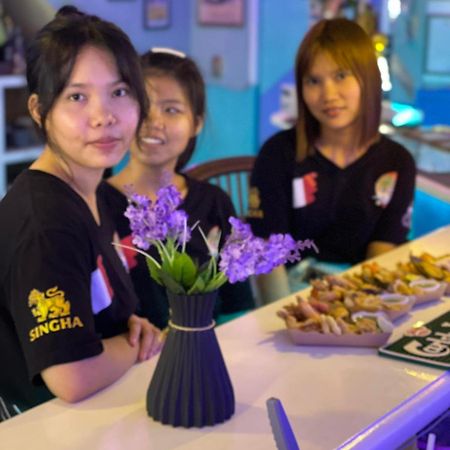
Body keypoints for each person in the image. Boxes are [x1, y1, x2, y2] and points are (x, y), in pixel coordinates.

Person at [0, 6, 163, 417]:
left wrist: (135, 332)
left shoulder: (106, 198)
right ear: (39, 111)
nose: (104, 116)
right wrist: (132, 345)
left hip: (105, 411)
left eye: (120, 92)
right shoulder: (45, 224)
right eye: (77, 96)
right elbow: (70, 376)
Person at [247, 18, 416, 303]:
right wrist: (289, 319)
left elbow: (382, 255)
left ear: (368, 78)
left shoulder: (396, 162)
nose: (328, 95)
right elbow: (269, 257)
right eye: (313, 81)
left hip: (363, 297)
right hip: (292, 298)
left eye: (341, 76)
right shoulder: (277, 155)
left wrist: (356, 313)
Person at [98, 48, 255, 329]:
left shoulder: (216, 203)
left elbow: (238, 306)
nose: (154, 122)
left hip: (208, 355)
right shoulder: (96, 204)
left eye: (171, 110)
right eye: (143, 105)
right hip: (130, 365)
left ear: (195, 123)